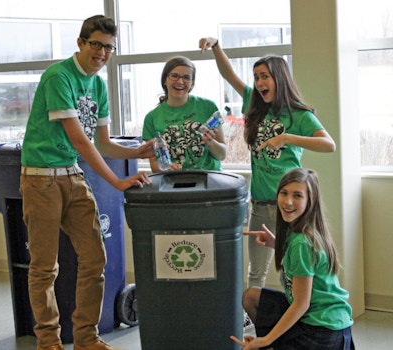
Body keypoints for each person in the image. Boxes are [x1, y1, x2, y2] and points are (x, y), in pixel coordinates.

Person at [20, 15, 154, 350]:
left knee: (95, 259)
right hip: (41, 179)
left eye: (109, 47)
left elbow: (104, 142)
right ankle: (48, 341)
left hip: (70, 174)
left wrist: (138, 149)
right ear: (81, 43)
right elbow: (81, 141)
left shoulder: (98, 85)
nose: (103, 53)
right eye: (96, 45)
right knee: (44, 267)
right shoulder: (59, 77)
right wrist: (118, 183)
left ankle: (86, 338)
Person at [199, 37, 336, 290]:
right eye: (256, 77)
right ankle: (256, 318)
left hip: (290, 204)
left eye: (265, 76)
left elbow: (329, 145)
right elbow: (229, 75)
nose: (259, 82)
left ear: (279, 79)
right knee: (256, 270)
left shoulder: (298, 114)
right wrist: (217, 46)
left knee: (292, 269)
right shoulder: (255, 102)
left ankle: (295, 317)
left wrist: (286, 137)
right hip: (260, 204)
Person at [231, 168, 355, 350]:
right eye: (284, 193)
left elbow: (301, 303)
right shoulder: (297, 231)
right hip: (322, 320)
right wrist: (277, 244)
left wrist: (265, 340)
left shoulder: (301, 243)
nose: (288, 202)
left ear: (310, 201)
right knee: (252, 297)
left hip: (323, 330)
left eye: (297, 195)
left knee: (266, 329)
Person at [142, 55, 227, 172]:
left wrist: (210, 142)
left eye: (186, 77)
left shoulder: (208, 107)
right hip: (174, 182)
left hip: (209, 180)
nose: (180, 81)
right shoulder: (152, 118)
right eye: (174, 76)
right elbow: (154, 166)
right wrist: (167, 168)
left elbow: (222, 155)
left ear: (192, 83)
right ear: (165, 80)